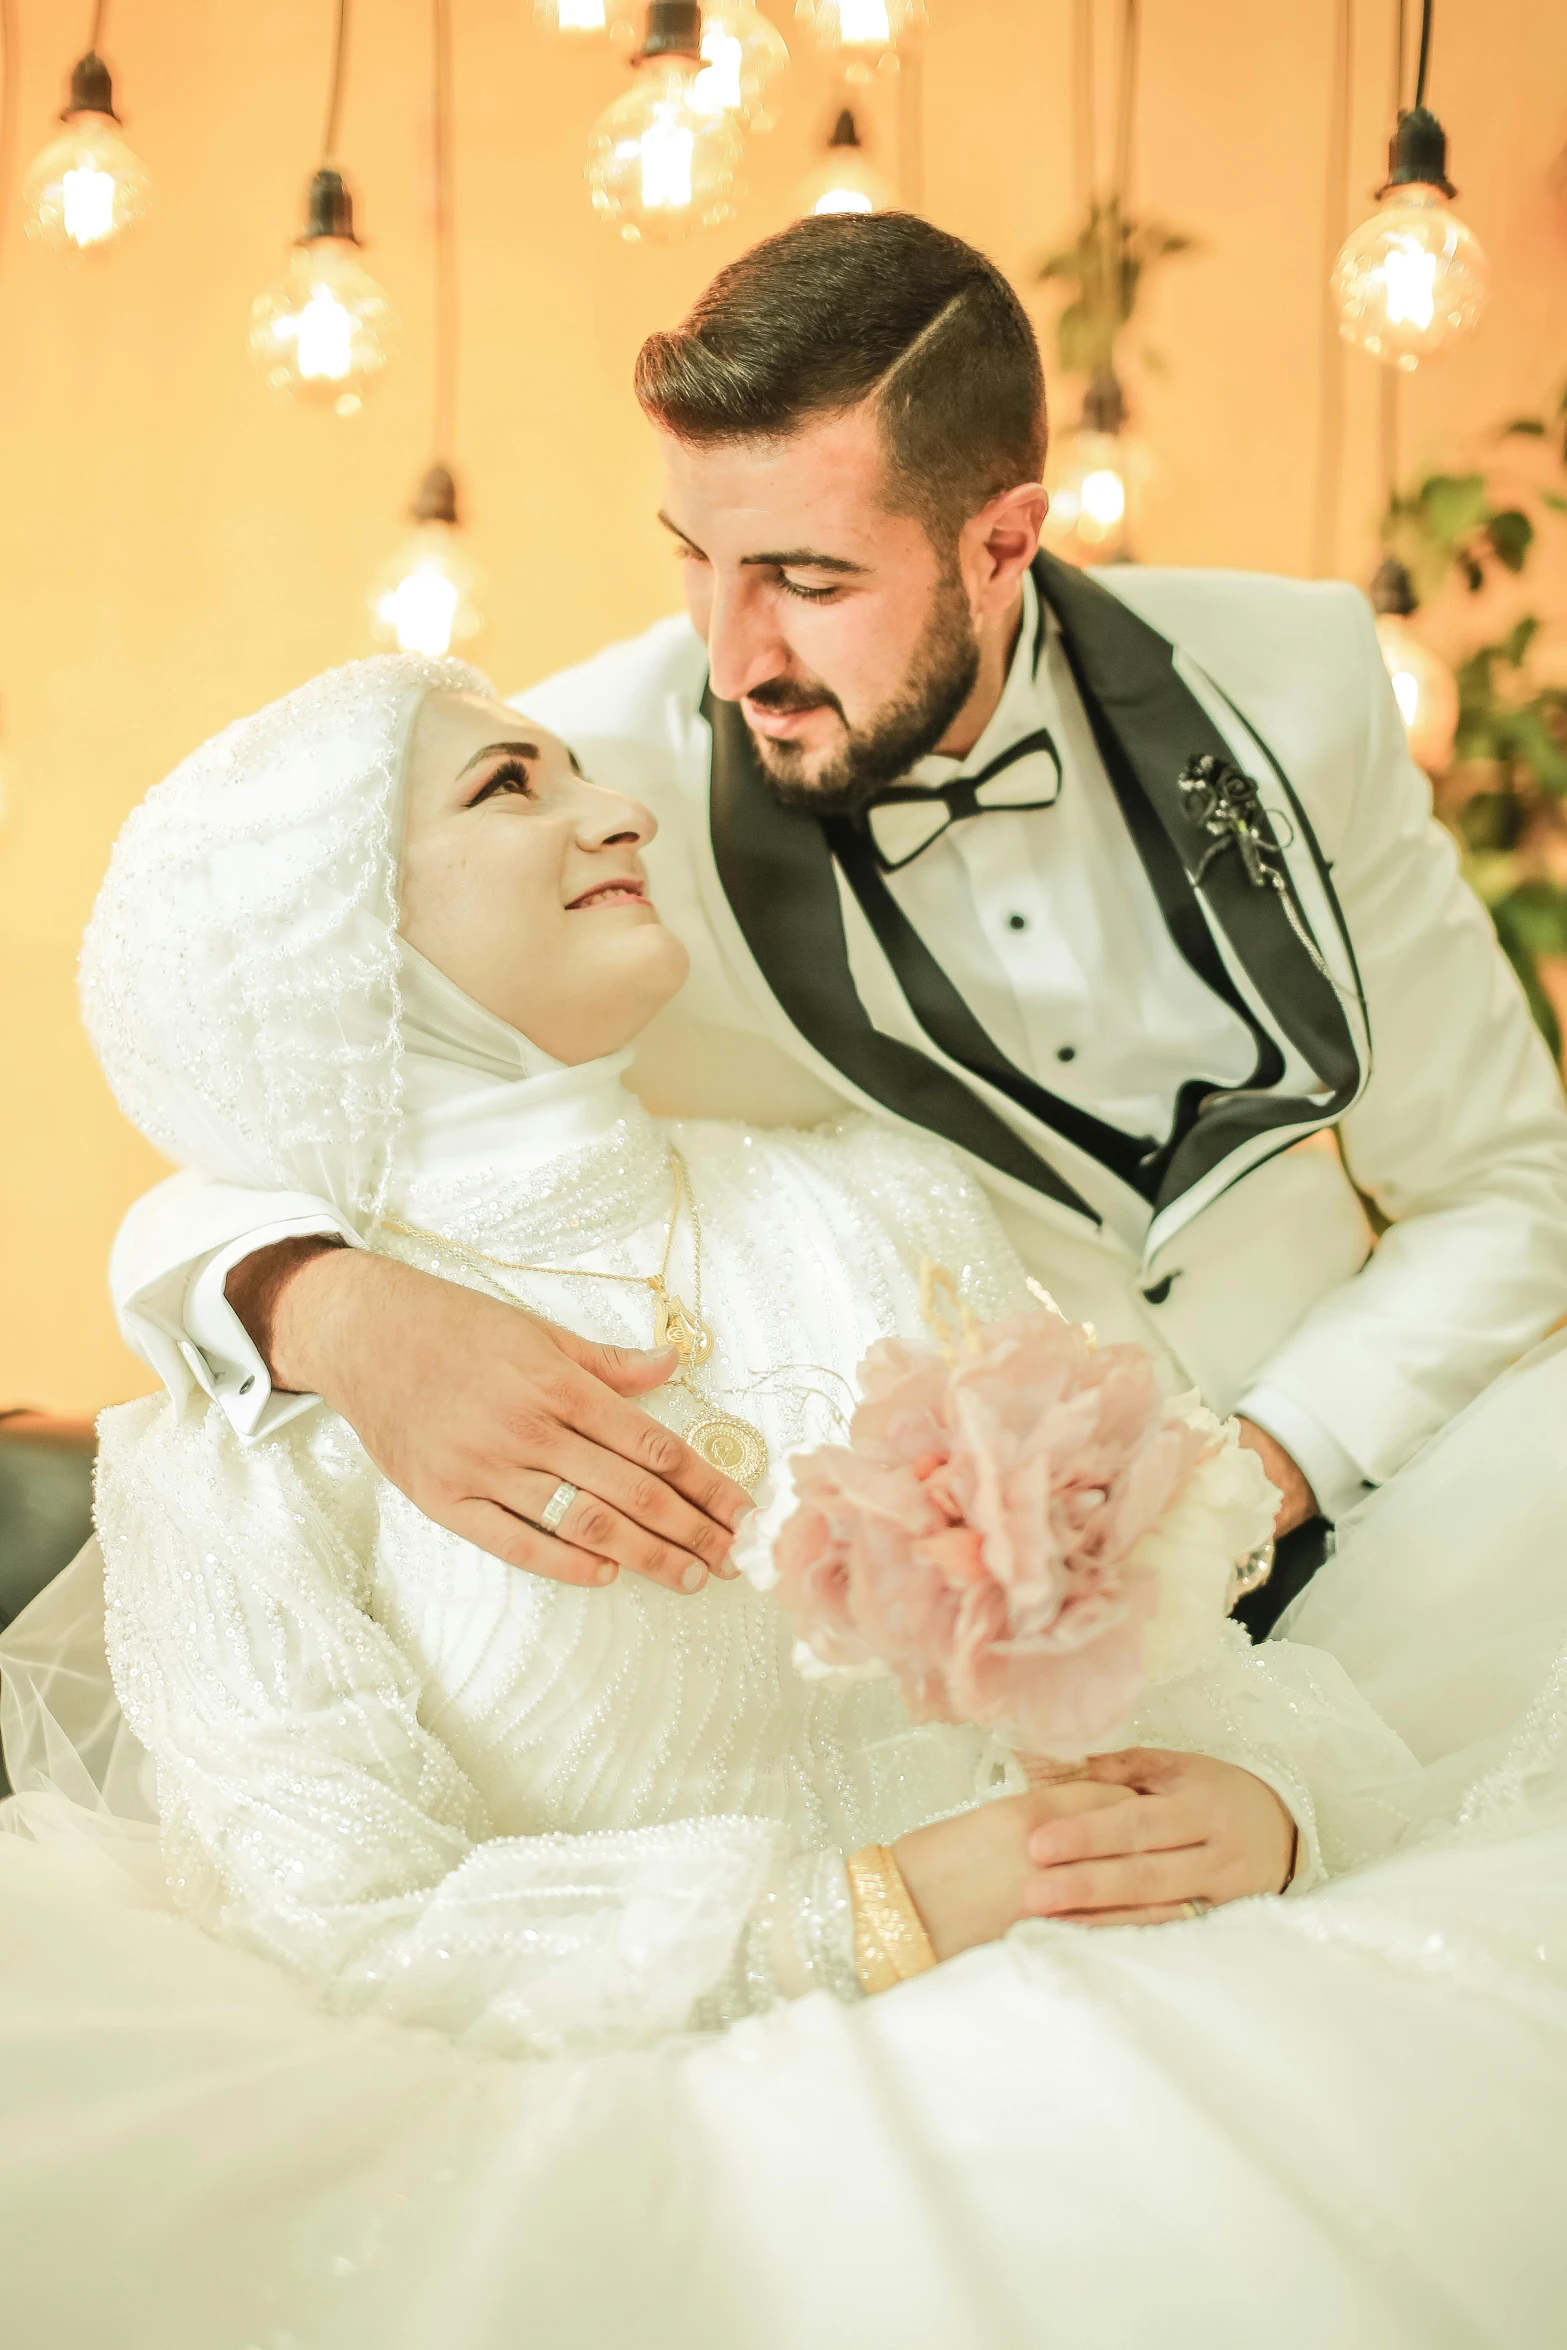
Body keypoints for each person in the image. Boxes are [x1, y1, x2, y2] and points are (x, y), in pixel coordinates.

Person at [2, 650, 1565, 2350]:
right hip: (634, 2150)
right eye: (506, 784)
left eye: (578, 766)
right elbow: (355, 1925)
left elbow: (1163, 1661)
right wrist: (877, 1909)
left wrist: (1257, 1800)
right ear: (316, 933)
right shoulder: (249, 1425)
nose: (618, 807)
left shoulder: (876, 1200)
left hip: (1131, 2016)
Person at [104, 216, 1567, 1635]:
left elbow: (1505, 1180)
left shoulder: (1297, 678)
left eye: (806, 580)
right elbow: (225, 1100)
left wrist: (1265, 1467)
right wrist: (337, 1316)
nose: (734, 654)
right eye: (694, 556)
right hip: (939, 1654)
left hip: (1394, 1521)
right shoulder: (585, 791)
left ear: (1000, 545)